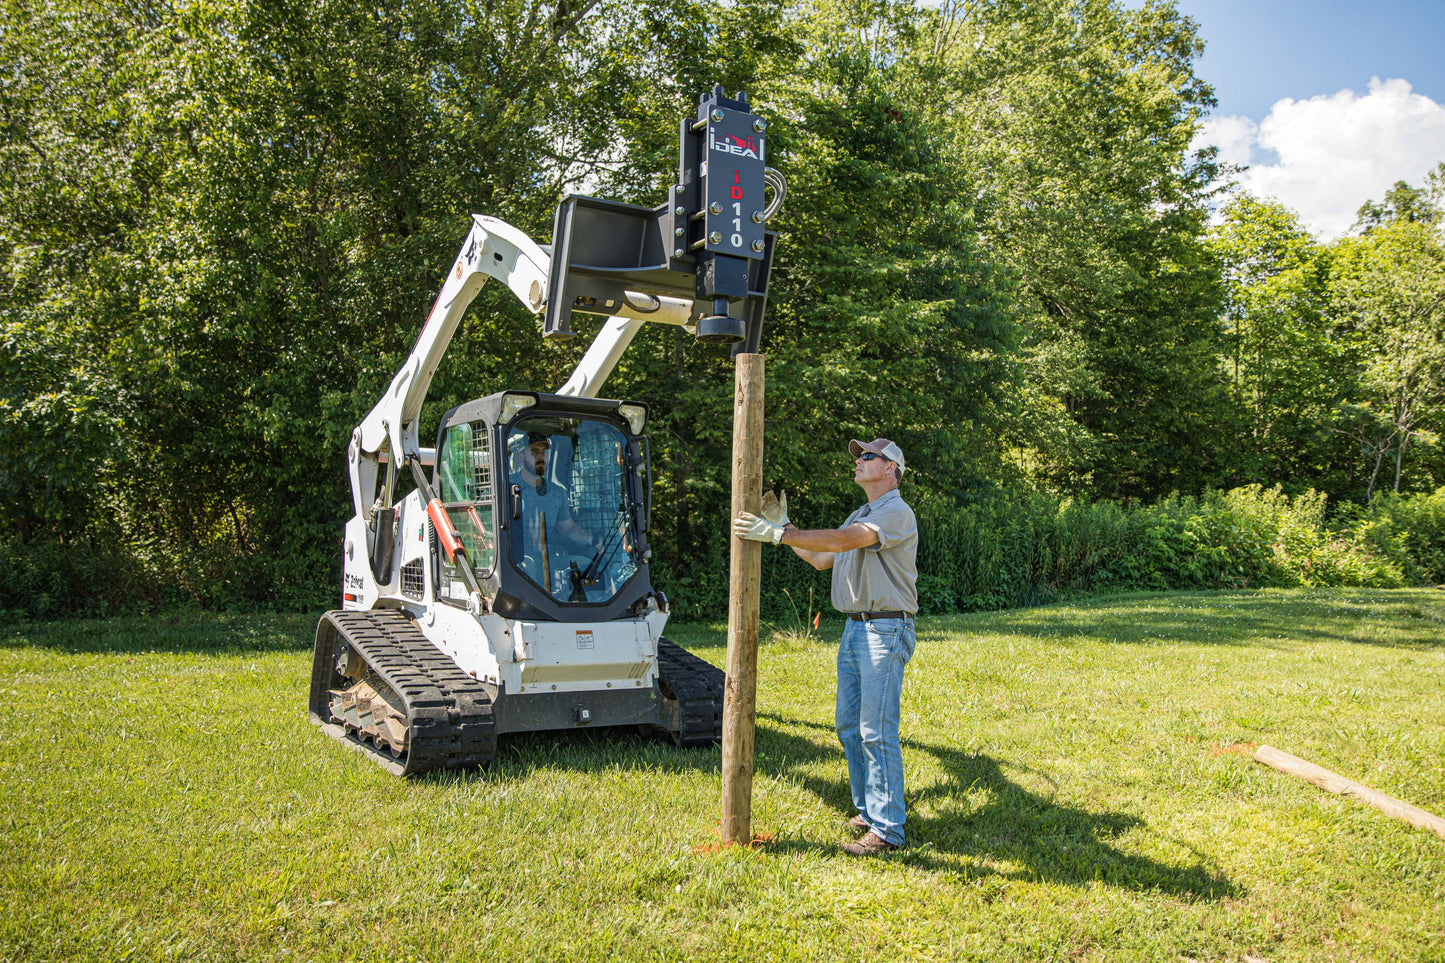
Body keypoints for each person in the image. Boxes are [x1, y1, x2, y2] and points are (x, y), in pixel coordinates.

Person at [733, 438, 918, 856]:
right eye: (858, 455)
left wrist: (780, 533)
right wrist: (785, 527)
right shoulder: (862, 513)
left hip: (884, 630)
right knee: (849, 727)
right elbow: (821, 558)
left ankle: (888, 830)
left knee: (876, 730)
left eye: (868, 456)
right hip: (856, 629)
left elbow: (838, 542)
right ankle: (869, 810)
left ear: (891, 469)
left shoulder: (896, 513)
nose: (859, 461)